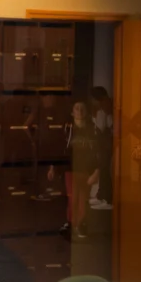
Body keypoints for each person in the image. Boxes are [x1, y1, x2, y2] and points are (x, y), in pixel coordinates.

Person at [51, 101, 100, 240]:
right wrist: (53, 167)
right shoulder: (67, 128)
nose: (79, 111)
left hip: (86, 169)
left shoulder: (93, 129)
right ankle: (71, 223)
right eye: (76, 108)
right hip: (70, 168)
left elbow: (98, 152)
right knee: (73, 197)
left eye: (82, 108)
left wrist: (97, 171)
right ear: (72, 112)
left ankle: (81, 223)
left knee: (83, 198)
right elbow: (60, 147)